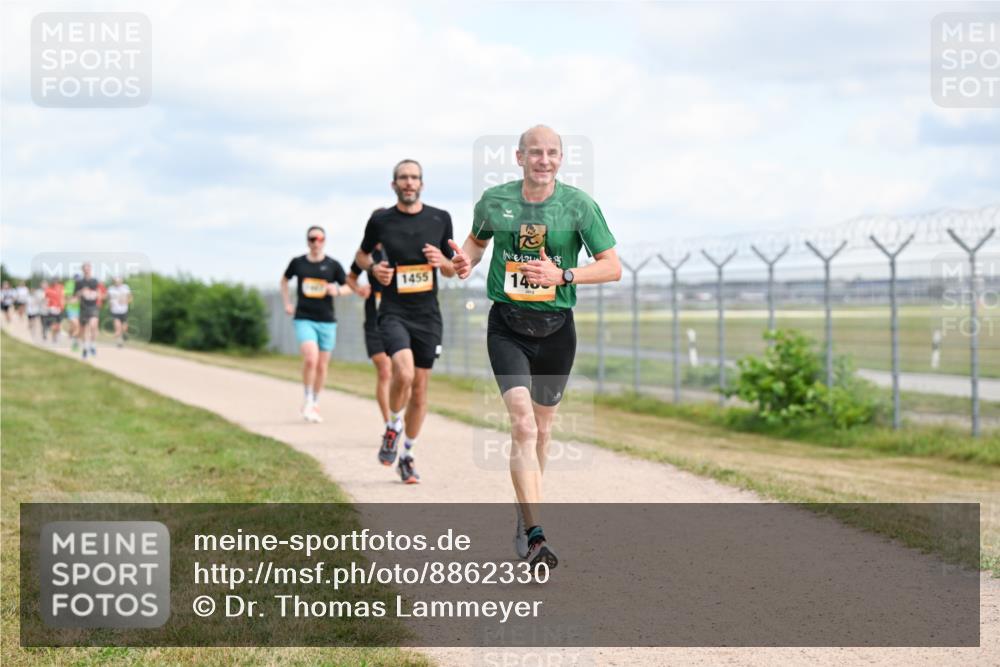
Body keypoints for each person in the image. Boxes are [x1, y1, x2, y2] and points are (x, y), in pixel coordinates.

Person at [449, 125, 621, 571]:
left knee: (543, 432)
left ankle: (526, 513)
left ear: (561, 159)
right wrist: (465, 260)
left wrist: (562, 276)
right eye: (535, 153)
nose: (543, 160)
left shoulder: (579, 206)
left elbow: (612, 267)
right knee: (523, 427)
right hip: (507, 325)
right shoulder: (495, 201)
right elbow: (477, 242)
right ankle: (537, 534)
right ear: (519, 157)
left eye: (552, 153)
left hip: (557, 329)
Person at [354, 160, 455, 484]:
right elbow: (361, 256)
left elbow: (454, 267)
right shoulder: (381, 220)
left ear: (422, 184)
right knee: (404, 372)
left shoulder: (440, 219)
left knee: (421, 391)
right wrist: (373, 270)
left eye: (414, 178)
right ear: (394, 184)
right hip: (394, 311)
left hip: (427, 314)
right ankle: (393, 425)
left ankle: (407, 455)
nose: (409, 183)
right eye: (403, 178)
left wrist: (443, 262)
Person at [281, 226, 350, 423]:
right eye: (312, 239)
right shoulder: (298, 263)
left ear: (325, 241)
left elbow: (349, 286)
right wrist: (287, 302)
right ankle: (308, 397)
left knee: (321, 365)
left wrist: (336, 290)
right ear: (307, 241)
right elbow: (284, 281)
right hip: (304, 317)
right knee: (311, 358)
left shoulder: (333, 265)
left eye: (320, 239)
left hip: (327, 320)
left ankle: (316, 401)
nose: (316, 243)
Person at [347, 231, 393, 430]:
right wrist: (358, 289)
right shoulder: (366, 256)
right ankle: (389, 424)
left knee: (402, 373)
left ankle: (398, 416)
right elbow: (350, 277)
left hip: (399, 319)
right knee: (384, 370)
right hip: (374, 322)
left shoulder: (400, 250)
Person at [73, 264, 101, 359]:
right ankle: (85, 349)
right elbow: (75, 296)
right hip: (83, 308)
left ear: (90, 269)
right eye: (85, 269)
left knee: (93, 326)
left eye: (88, 269)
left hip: (93, 306)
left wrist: (94, 294)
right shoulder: (79, 282)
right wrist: (81, 292)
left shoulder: (95, 281)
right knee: (84, 329)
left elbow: (99, 292)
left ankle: (92, 344)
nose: (87, 271)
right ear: (82, 270)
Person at [107, 276, 133, 347]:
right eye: (115, 281)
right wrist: (110, 304)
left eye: (118, 281)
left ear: (121, 281)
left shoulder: (126, 287)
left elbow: (130, 298)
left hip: (124, 310)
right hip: (115, 311)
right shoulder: (111, 289)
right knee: (117, 327)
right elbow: (108, 298)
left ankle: (124, 335)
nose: (117, 282)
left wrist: (125, 301)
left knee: (124, 328)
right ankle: (119, 342)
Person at [43, 279, 65, 343]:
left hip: (59, 308)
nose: (55, 283)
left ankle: (56, 335)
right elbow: (46, 299)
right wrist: (46, 307)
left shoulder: (61, 287)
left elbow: (63, 297)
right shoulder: (49, 289)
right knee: (53, 324)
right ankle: (54, 337)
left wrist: (62, 305)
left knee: (58, 325)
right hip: (52, 309)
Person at [64, 275, 80, 350]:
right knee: (76, 325)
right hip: (71, 309)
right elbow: (68, 298)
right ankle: (75, 343)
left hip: (80, 309)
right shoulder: (69, 285)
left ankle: (71, 335)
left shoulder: (82, 286)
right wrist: (76, 298)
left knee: (75, 326)